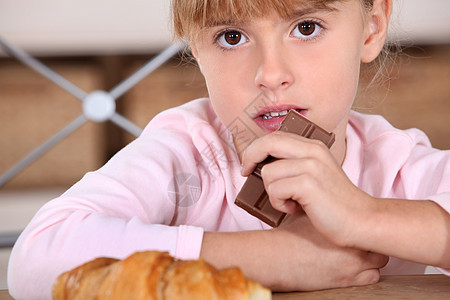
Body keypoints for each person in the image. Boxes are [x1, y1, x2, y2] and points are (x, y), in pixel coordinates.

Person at [8, 0, 450, 299]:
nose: (270, 74)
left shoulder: (395, 165)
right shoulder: (187, 154)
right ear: (195, 48)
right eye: (232, 37)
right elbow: (36, 259)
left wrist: (366, 216)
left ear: (372, 27)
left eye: (306, 27)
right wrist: (271, 260)